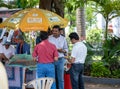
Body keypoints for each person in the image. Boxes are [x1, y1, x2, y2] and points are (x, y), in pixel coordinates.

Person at [48, 25, 68, 89]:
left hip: (60, 60)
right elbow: (46, 49)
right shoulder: (49, 38)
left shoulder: (63, 38)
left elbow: (66, 49)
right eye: (53, 31)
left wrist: (62, 51)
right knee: (52, 78)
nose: (54, 32)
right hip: (51, 60)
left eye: (56, 31)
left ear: (59, 31)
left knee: (60, 78)